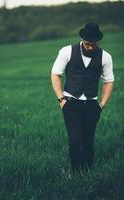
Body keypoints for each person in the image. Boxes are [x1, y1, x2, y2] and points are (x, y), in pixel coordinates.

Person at [51, 22, 114, 171]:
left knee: (88, 140)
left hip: (92, 104)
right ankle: (76, 171)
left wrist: (102, 105)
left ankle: (87, 172)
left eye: (94, 44)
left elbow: (109, 81)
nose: (91, 47)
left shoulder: (105, 56)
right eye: (88, 44)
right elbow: (55, 74)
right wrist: (61, 99)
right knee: (74, 139)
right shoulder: (67, 51)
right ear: (82, 40)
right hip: (71, 103)